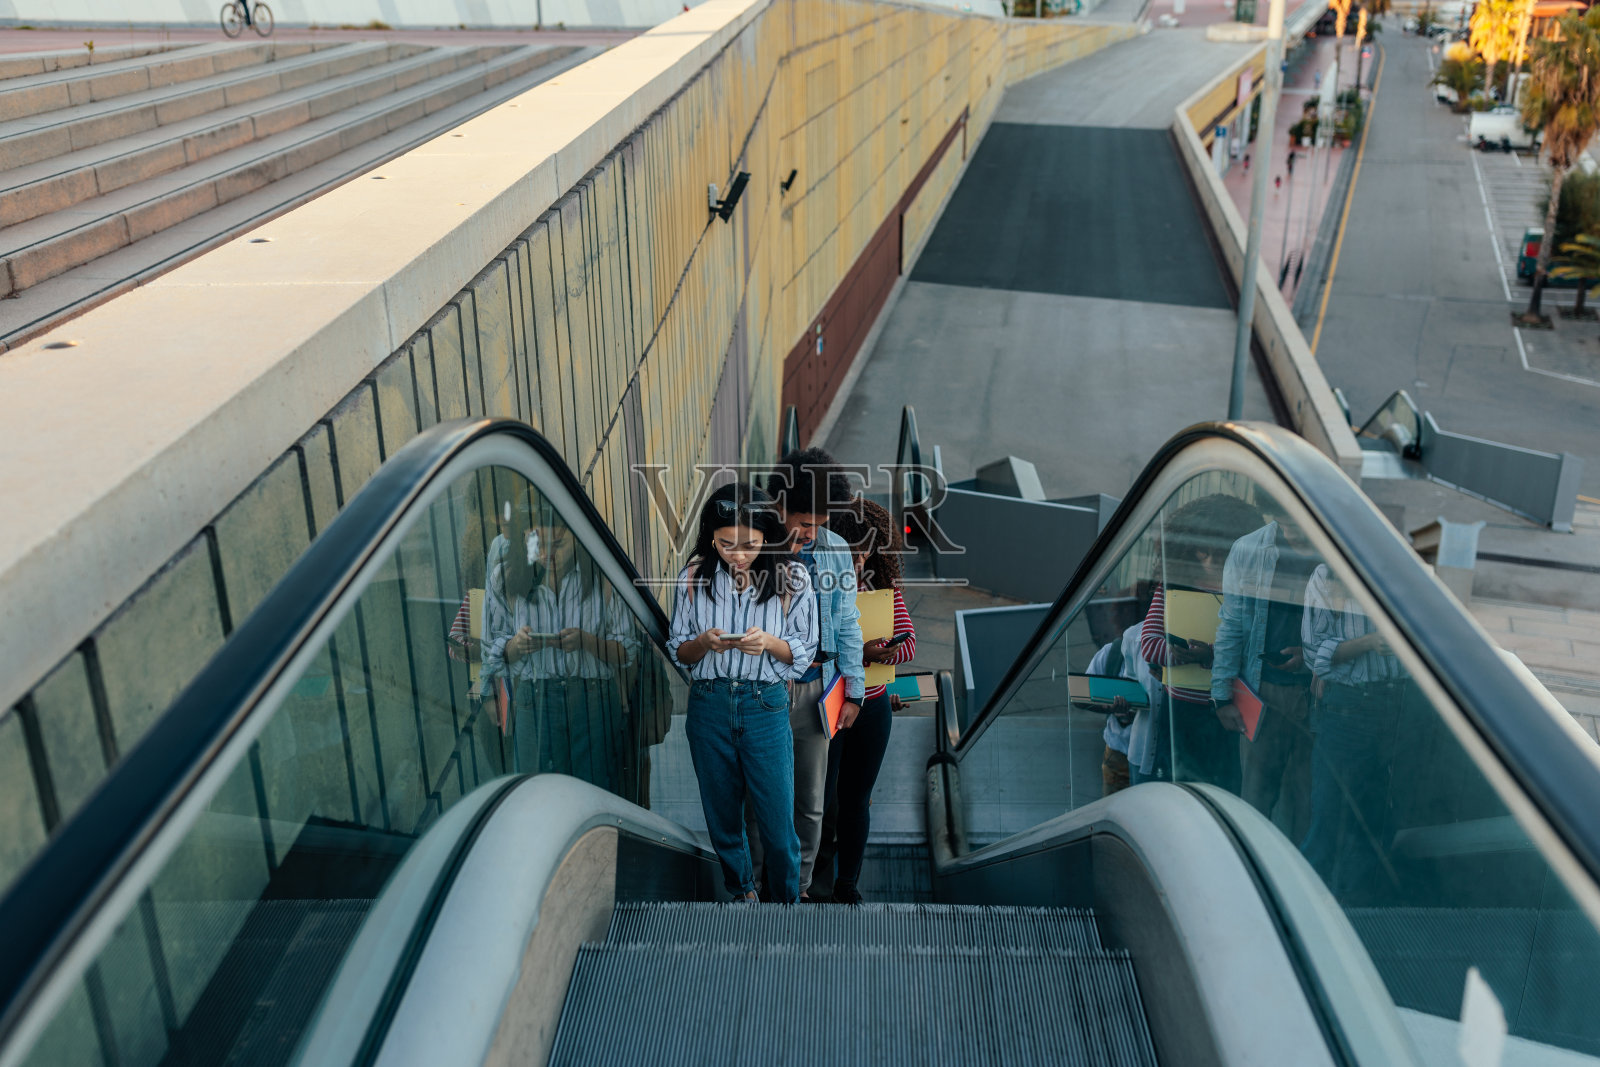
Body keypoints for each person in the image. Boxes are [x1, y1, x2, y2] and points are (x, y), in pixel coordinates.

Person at [669, 483, 816, 903]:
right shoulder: (694, 577)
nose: (737, 554)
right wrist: (705, 643)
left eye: (749, 544)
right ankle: (741, 894)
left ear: (767, 535)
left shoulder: (793, 578)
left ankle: (785, 902)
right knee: (721, 816)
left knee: (777, 821)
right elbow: (680, 649)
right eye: (725, 543)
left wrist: (768, 642)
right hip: (708, 703)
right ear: (711, 537)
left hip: (764, 705)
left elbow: (803, 654)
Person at [748, 448, 865, 900]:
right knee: (759, 798)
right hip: (767, 687)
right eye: (804, 521)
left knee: (812, 804)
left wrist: (854, 691)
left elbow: (849, 622)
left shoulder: (835, 551)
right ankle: (755, 888)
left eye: (819, 523)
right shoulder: (756, 546)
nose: (812, 532)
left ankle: (796, 889)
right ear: (780, 506)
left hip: (819, 687)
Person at [481, 507, 637, 792]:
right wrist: (516, 647)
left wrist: (587, 642)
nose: (547, 555)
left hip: (592, 700)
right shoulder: (505, 577)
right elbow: (491, 650)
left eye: (559, 545)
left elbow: (627, 651)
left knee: (595, 796)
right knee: (537, 797)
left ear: (577, 538)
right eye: (538, 545)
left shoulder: (602, 573)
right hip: (535, 699)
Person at [817, 498, 914, 904]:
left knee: (857, 799)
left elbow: (907, 644)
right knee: (821, 799)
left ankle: (847, 884)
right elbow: (814, 648)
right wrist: (862, 655)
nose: (858, 559)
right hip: (830, 703)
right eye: (852, 549)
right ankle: (814, 882)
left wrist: (885, 651)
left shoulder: (881, 588)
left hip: (873, 707)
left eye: (865, 550)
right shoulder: (822, 584)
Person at [1139, 494, 1264, 794]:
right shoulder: (1171, 588)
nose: (1210, 561)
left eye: (1219, 554)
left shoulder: (1249, 595)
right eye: (1202, 552)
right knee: (1184, 787)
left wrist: (1210, 654)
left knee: (1228, 786)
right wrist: (1178, 655)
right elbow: (1148, 644)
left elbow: (1254, 651)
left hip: (1231, 708)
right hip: (1181, 710)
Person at [1209, 509, 1319, 844]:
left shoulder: (1332, 549)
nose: (1294, 532)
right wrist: (1222, 695)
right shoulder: (1249, 549)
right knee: (1256, 802)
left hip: (1318, 694)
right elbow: (1231, 624)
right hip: (1262, 694)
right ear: (1271, 514)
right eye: (1286, 523)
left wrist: (1310, 655)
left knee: (1307, 803)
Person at [1299, 562, 1407, 901]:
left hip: (1400, 704)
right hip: (1349, 707)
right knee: (1328, 816)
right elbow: (1313, 653)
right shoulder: (1327, 573)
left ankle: (1355, 914)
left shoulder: (1401, 571)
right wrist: (1369, 643)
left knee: (1376, 822)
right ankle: (1306, 910)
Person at [1086, 622, 1143, 796]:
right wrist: (1107, 707)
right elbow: (1083, 695)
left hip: (1144, 751)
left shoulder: (1160, 656)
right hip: (1119, 749)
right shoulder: (1112, 653)